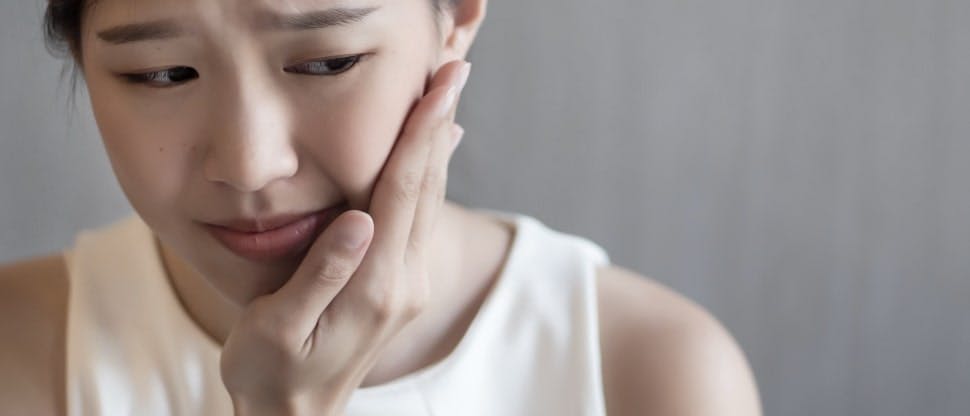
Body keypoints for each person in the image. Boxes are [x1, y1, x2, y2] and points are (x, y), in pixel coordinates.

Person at [0, 0, 761, 414]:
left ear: (456, 19)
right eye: (163, 73)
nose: (249, 163)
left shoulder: (649, 373)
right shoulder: (23, 353)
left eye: (328, 61)